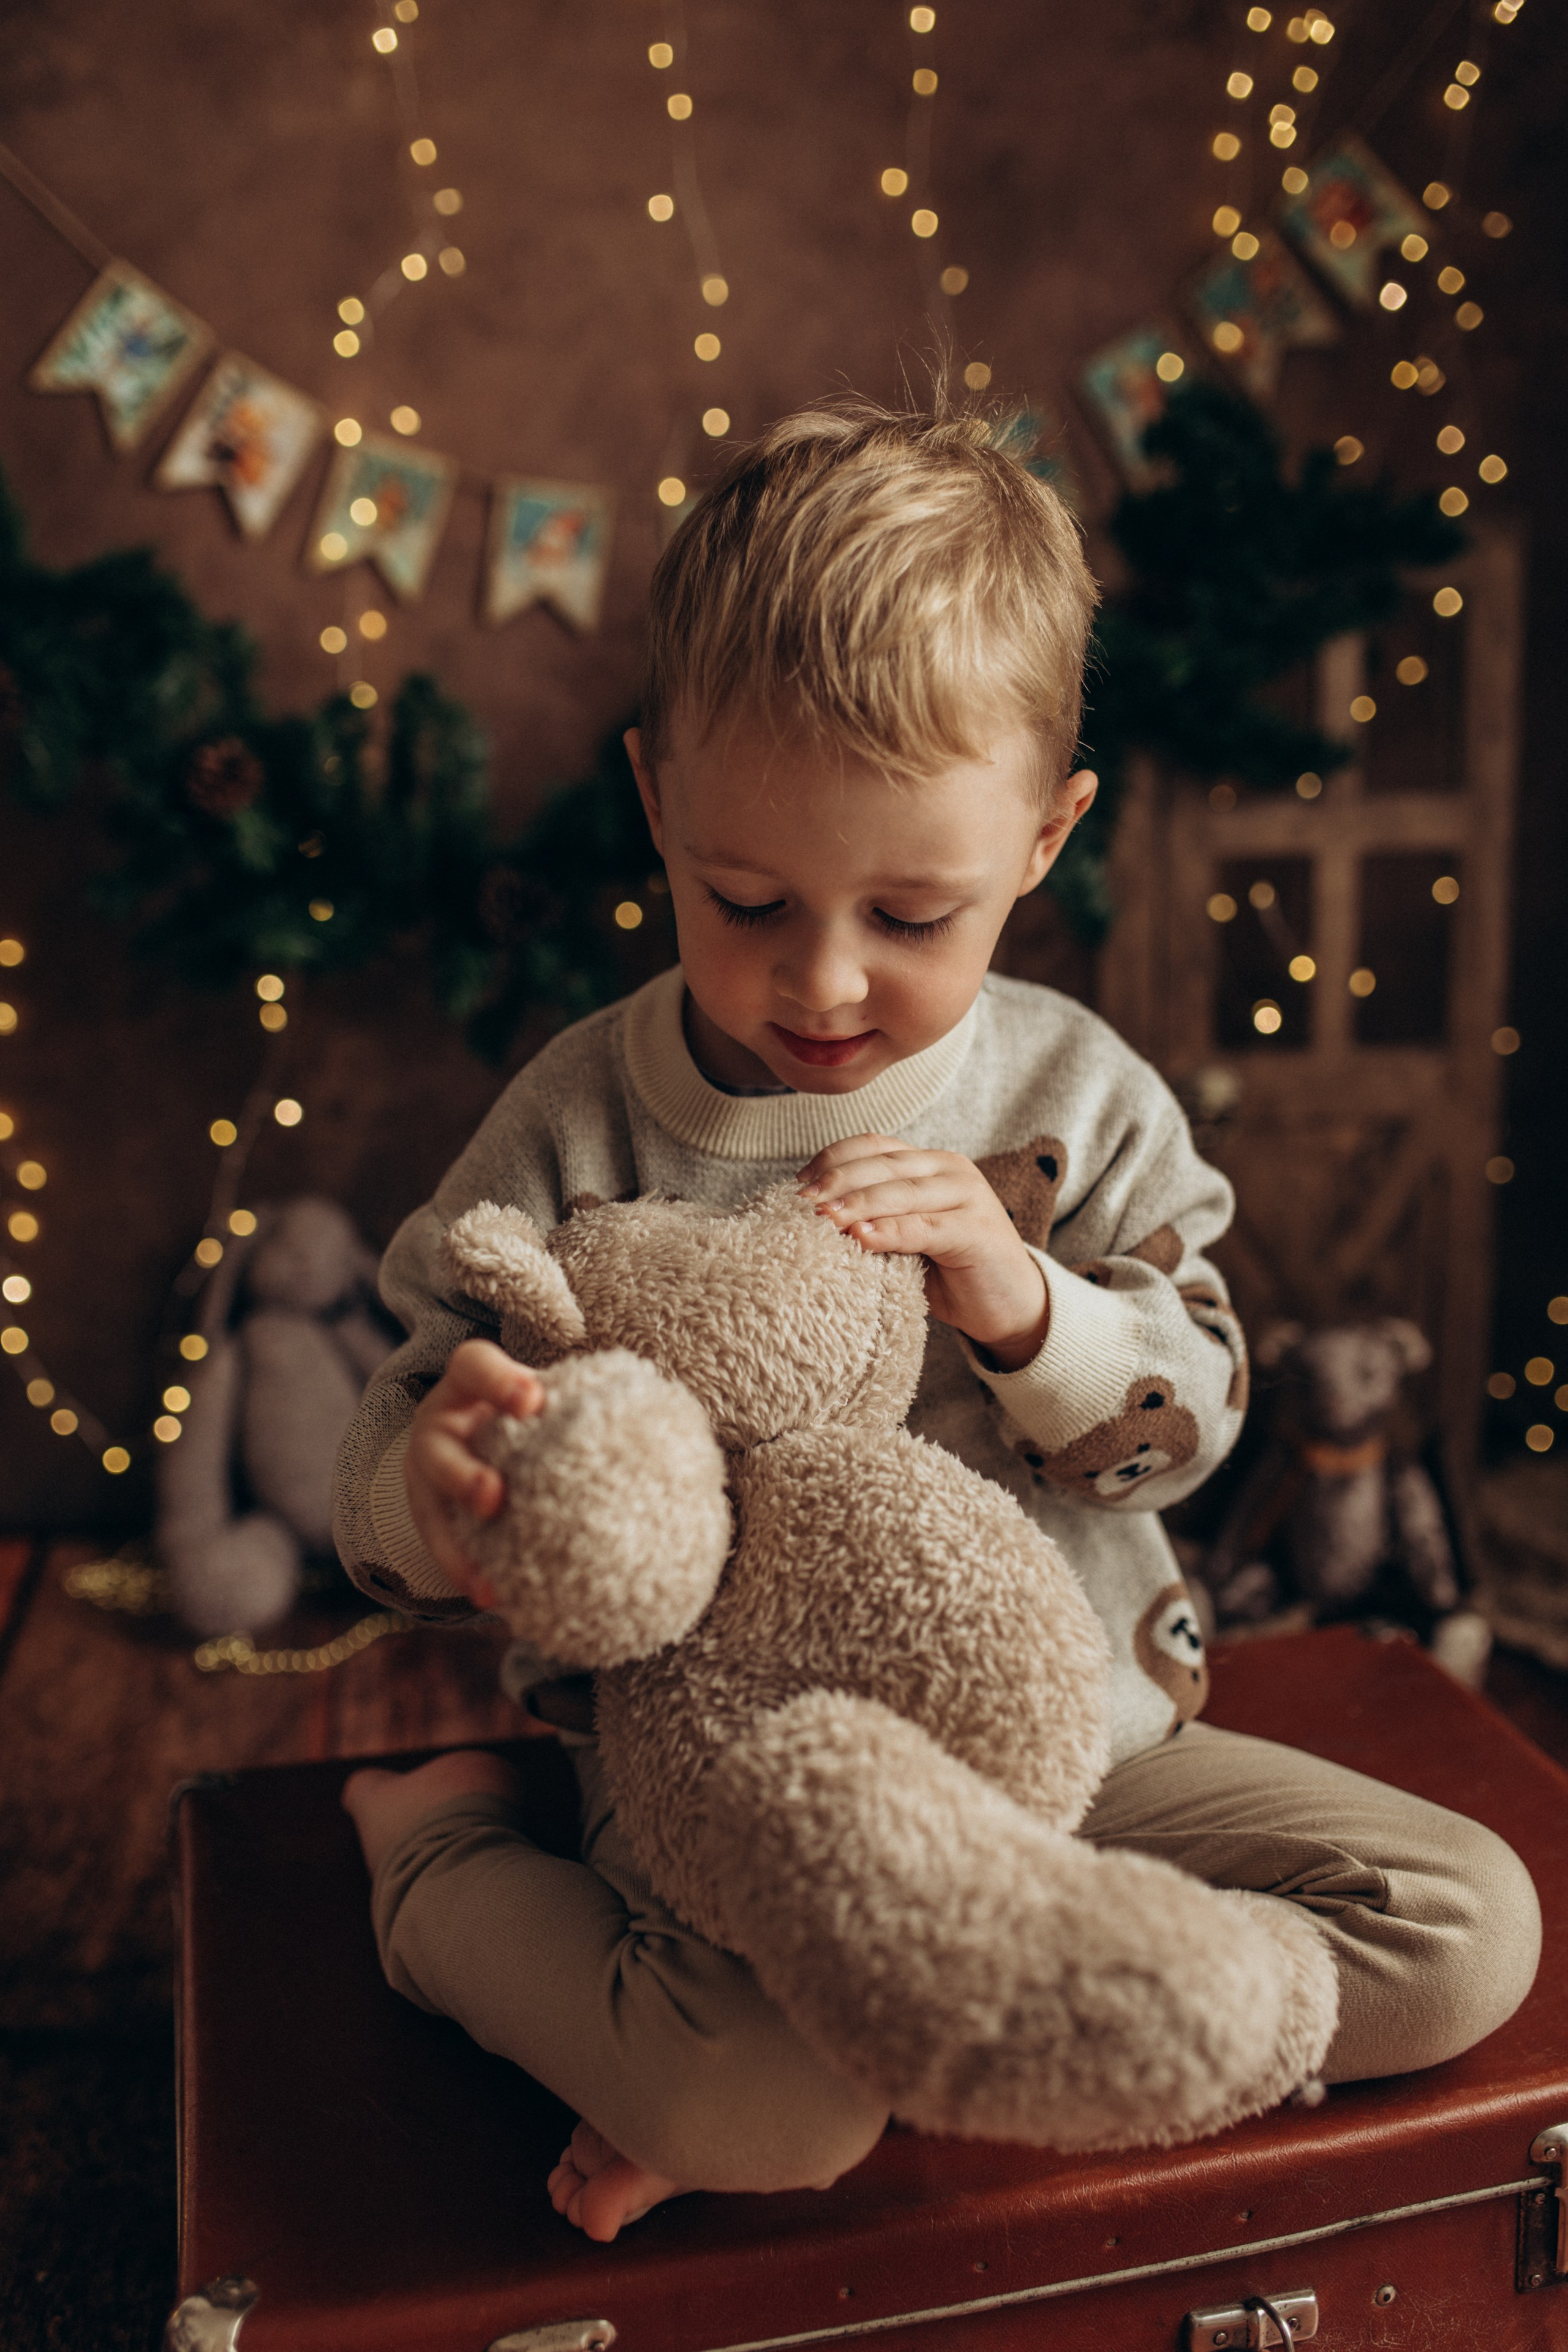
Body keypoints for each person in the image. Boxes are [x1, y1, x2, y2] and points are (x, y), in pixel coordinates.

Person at [335, 394, 1540, 2246]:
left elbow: (1196, 1418)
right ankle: (436, 1864)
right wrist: (440, 1476)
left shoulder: (1081, 1091)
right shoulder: (582, 1118)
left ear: (1048, 836)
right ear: (659, 802)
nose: (820, 979)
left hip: (1086, 1754)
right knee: (752, 2099)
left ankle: (965, 2029)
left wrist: (1021, 1297)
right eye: (746, 900)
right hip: (742, 1803)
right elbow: (396, 1443)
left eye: (912, 913)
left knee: (1473, 1935)